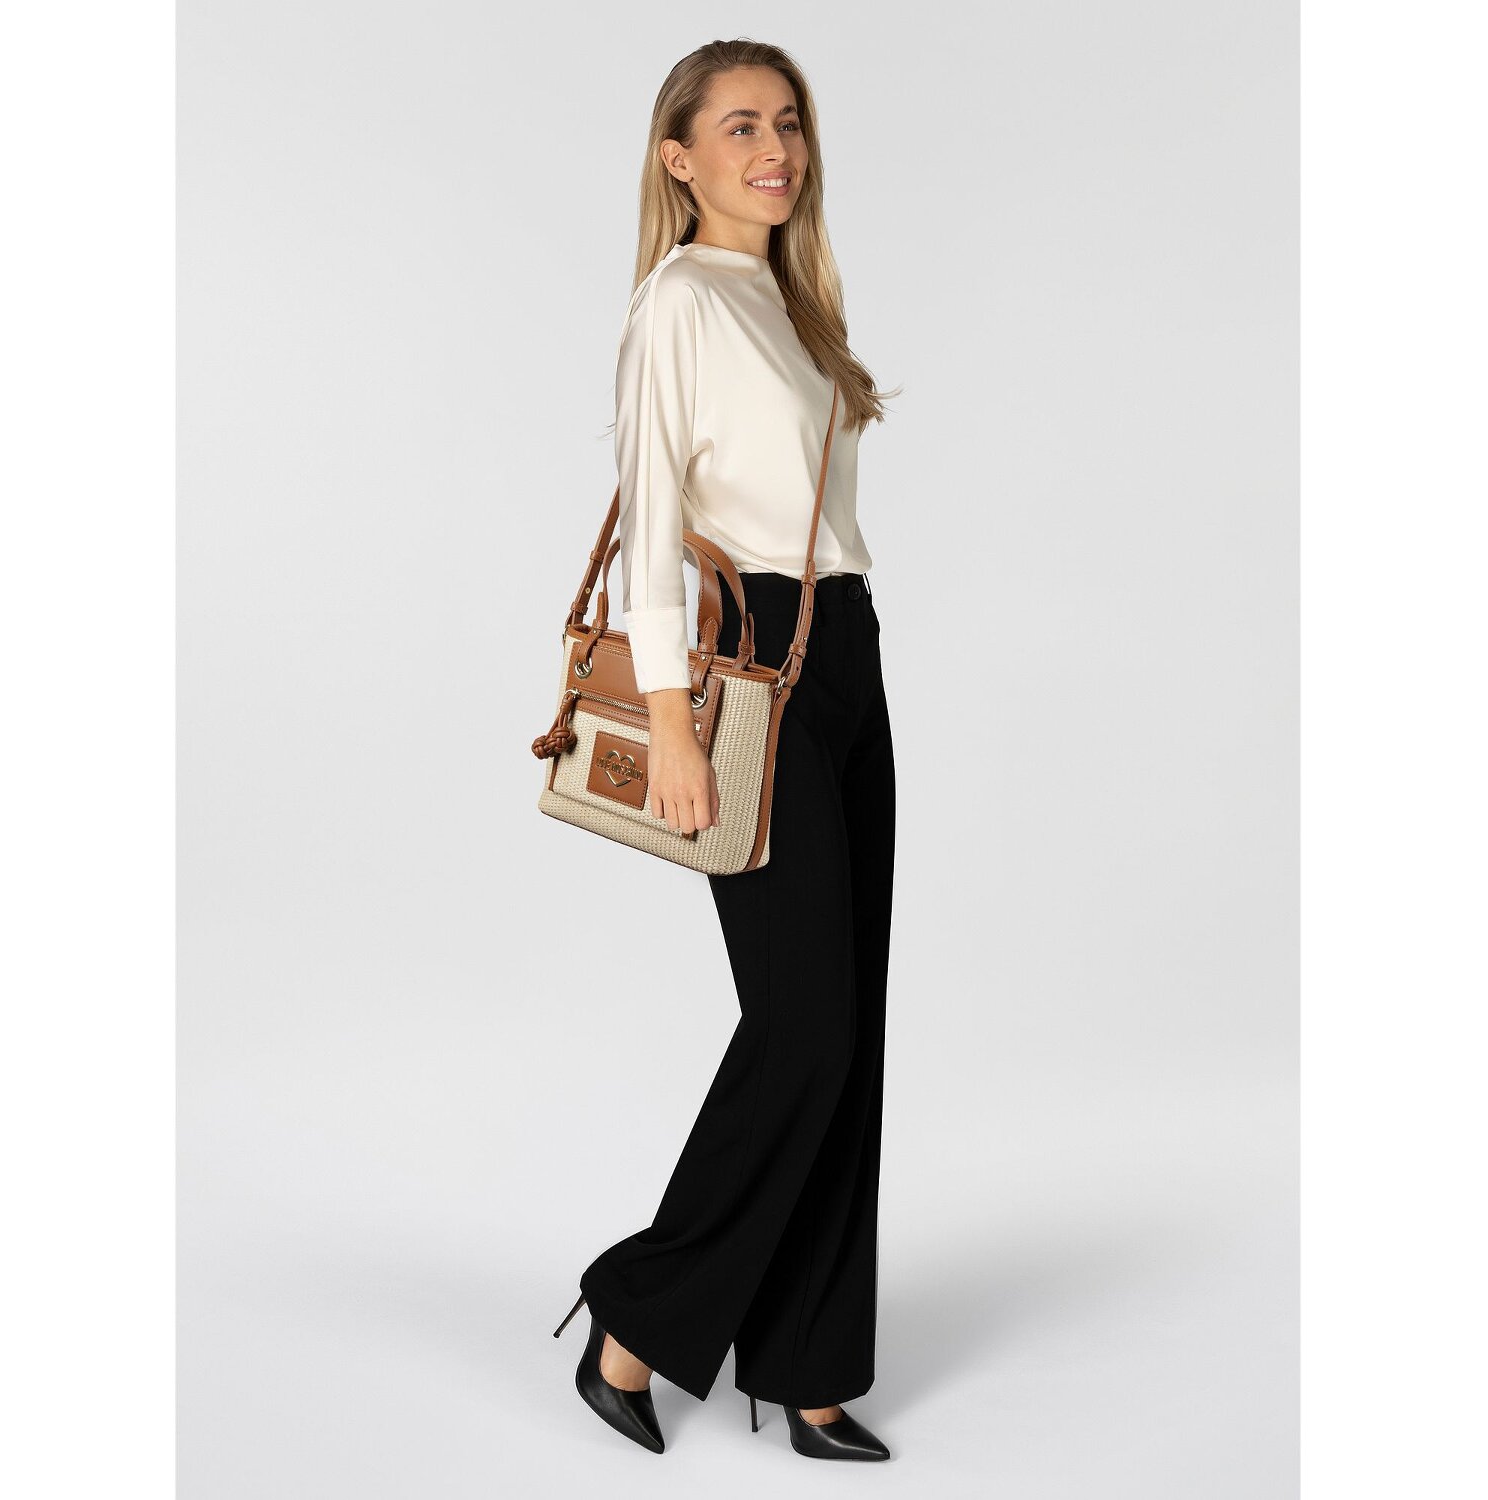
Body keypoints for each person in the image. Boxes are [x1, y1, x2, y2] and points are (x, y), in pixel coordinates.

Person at [552, 38, 899, 1463]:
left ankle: (811, 1365)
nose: (777, 149)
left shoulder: (796, 304)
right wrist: (672, 723)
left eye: (790, 123)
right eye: (743, 125)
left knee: (850, 1026)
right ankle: (639, 1311)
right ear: (678, 157)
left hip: (845, 648)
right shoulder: (680, 302)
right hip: (743, 656)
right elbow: (651, 525)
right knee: (802, 1023)